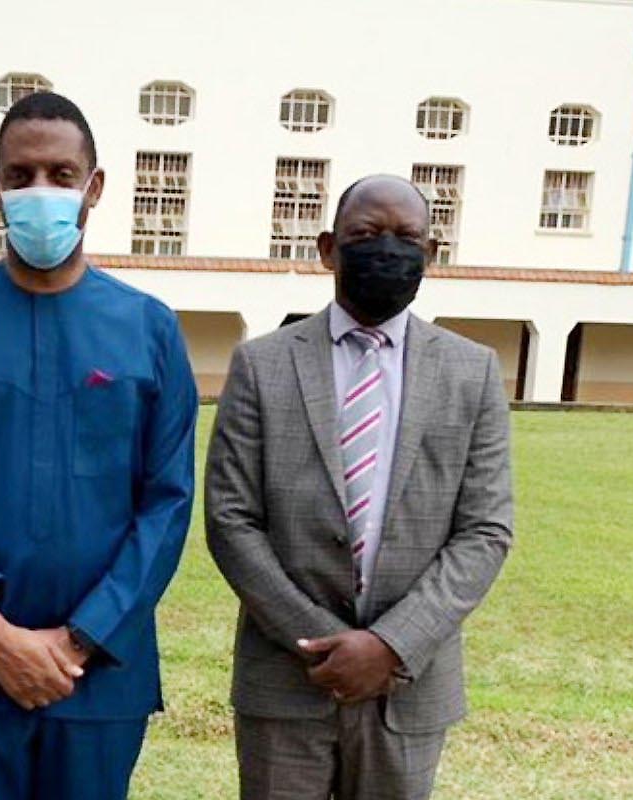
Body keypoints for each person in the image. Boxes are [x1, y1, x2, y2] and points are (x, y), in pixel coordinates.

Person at [0, 91, 198, 800]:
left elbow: (168, 502)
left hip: (99, 676)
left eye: (61, 173)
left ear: (96, 186)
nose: (40, 191)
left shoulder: (148, 330)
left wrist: (80, 639)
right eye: (20, 176)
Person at [204, 174, 514, 800]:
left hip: (409, 684)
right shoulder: (263, 364)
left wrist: (389, 646)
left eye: (407, 238)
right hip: (287, 682)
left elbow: (485, 531)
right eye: (367, 235)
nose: (388, 250)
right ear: (327, 249)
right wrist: (319, 643)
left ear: (430, 253)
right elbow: (231, 520)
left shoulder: (472, 370)